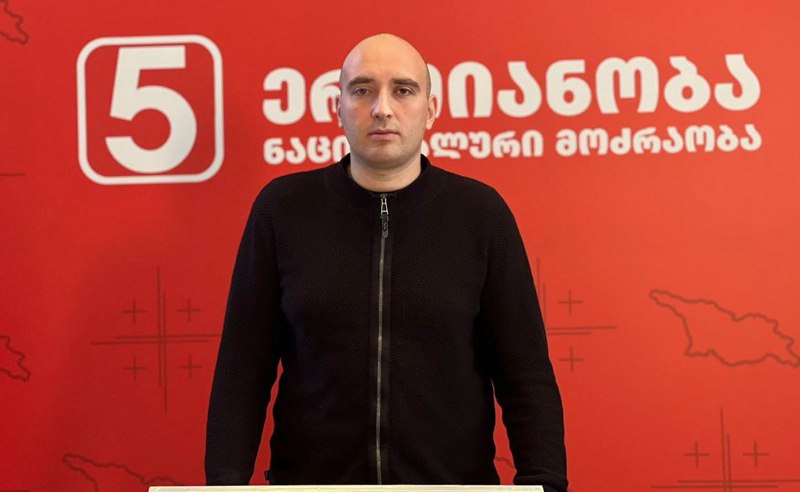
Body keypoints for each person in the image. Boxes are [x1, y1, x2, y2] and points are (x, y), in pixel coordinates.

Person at [205, 33, 568, 492]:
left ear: (430, 110)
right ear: (338, 108)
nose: (382, 108)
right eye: (362, 90)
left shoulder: (480, 215)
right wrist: (223, 484)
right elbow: (242, 370)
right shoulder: (283, 210)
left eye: (403, 90)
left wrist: (544, 483)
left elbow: (526, 375)